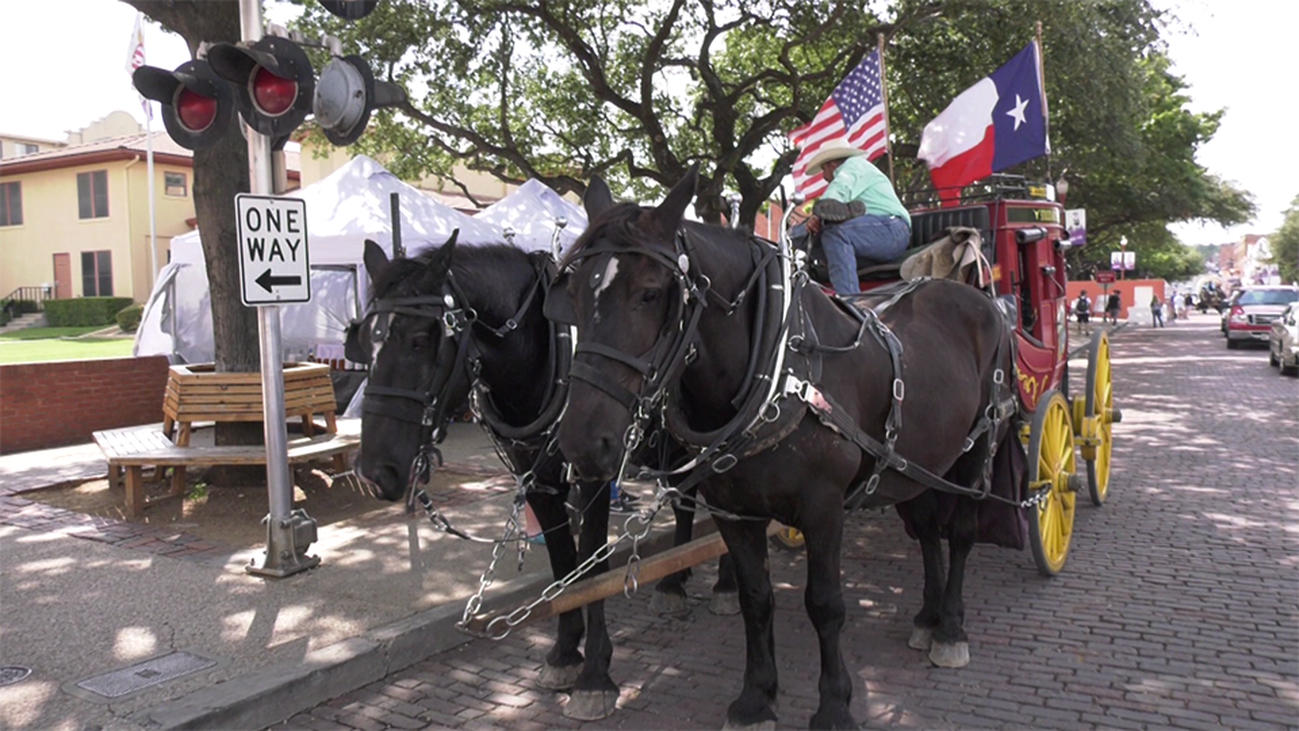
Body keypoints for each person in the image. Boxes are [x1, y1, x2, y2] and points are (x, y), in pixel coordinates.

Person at [798, 139, 911, 295]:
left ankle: (850, 303)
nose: (824, 177)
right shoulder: (857, 175)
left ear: (832, 164)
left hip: (892, 229)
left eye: (824, 169)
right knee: (811, 239)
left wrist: (820, 214)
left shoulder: (853, 165)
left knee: (835, 234)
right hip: (870, 236)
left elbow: (839, 189)